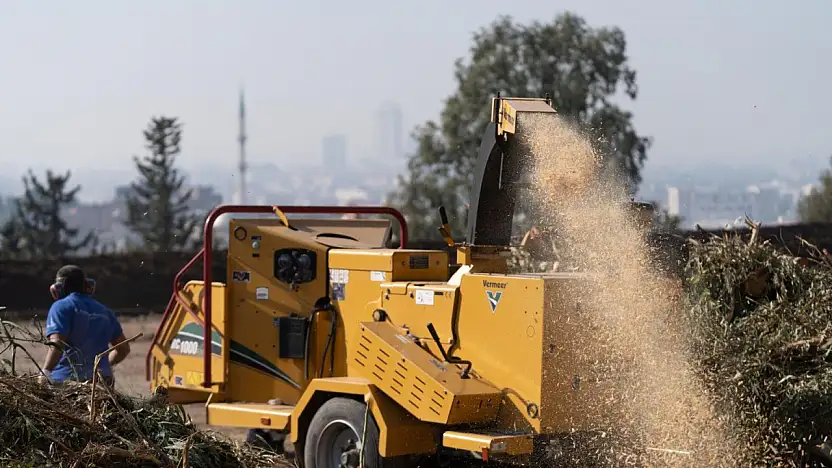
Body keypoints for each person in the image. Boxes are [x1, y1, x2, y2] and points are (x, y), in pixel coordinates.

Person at [38, 265, 130, 387]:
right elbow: (123, 349)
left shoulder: (61, 307)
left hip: (67, 383)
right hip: (102, 384)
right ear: (87, 285)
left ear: (58, 288)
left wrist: (45, 372)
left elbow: (57, 344)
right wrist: (103, 367)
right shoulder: (106, 312)